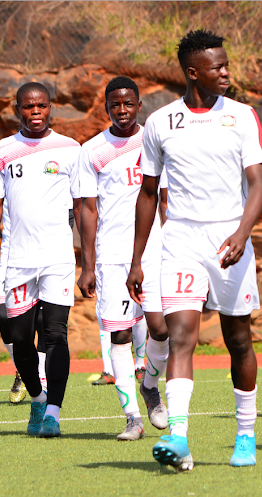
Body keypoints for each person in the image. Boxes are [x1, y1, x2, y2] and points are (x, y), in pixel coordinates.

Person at [127, 29, 262, 470]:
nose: (226, 72)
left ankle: (245, 435)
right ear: (193, 72)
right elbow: (148, 193)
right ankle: (180, 437)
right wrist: (137, 258)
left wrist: (244, 233)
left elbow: (258, 182)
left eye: (226, 64)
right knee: (181, 334)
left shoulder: (243, 116)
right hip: (182, 238)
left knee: (238, 339)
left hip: (231, 236)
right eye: (217, 67)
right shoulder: (160, 122)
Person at [0, 82, 80, 438]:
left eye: (41, 106)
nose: (35, 112)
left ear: (50, 107)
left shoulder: (70, 149)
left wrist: (91, 256)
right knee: (20, 340)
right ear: (17, 109)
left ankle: (53, 411)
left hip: (57, 257)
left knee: (55, 334)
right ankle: (37, 398)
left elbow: (83, 205)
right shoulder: (3, 151)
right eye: (28, 107)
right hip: (17, 259)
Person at [78, 76, 170, 440]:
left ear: (138, 105)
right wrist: (86, 265)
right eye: (115, 104)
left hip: (154, 252)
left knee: (160, 329)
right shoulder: (93, 150)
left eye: (128, 103)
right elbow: (87, 209)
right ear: (106, 107)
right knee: (118, 334)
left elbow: (165, 198)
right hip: (112, 256)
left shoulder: (154, 139)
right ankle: (132, 417)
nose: (122, 110)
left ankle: (149, 385)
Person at [0, 203, 48, 404]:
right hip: (10, 264)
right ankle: (23, 370)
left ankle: (41, 379)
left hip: (45, 260)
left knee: (42, 321)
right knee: (6, 320)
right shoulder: (5, 177)